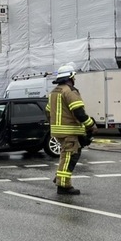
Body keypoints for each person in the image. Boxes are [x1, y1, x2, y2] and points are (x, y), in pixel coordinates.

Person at [46, 64, 97, 195]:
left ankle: (60, 178)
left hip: (58, 131)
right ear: (71, 77)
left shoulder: (53, 92)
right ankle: (63, 186)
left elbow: (47, 112)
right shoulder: (70, 92)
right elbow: (79, 112)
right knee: (70, 157)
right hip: (69, 132)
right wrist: (90, 124)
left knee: (66, 156)